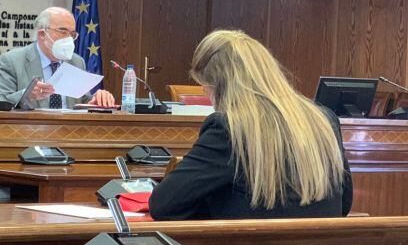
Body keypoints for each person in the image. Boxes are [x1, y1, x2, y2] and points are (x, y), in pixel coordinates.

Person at [149, 29, 352, 220]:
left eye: (205, 89)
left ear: (218, 86)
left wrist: (215, 203)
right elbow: (344, 204)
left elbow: (163, 205)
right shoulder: (325, 119)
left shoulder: (228, 128)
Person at [0, 6, 116, 109]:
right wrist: (26, 95)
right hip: (28, 132)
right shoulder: (12, 61)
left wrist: (97, 99)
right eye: (62, 31)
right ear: (42, 34)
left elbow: (82, 101)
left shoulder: (76, 61)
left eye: (72, 34)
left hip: (69, 132)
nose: (68, 39)